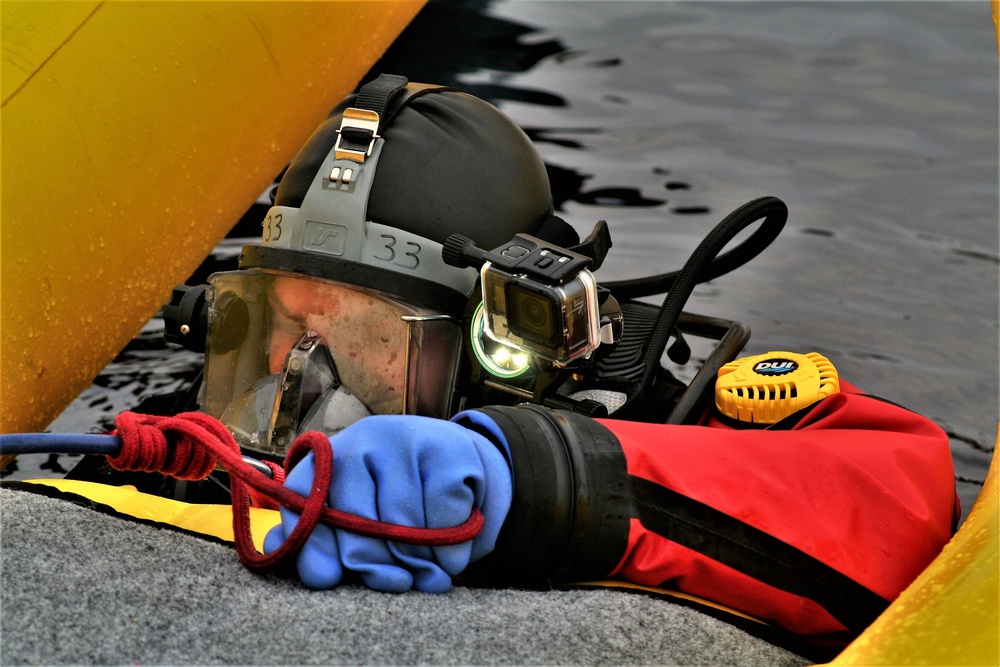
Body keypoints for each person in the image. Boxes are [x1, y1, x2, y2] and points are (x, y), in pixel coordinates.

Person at [174, 74, 958, 643]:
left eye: (356, 330)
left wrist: (533, 479)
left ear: (497, 341)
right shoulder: (209, 443)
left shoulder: (654, 429)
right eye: (279, 315)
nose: (293, 362)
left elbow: (908, 510)